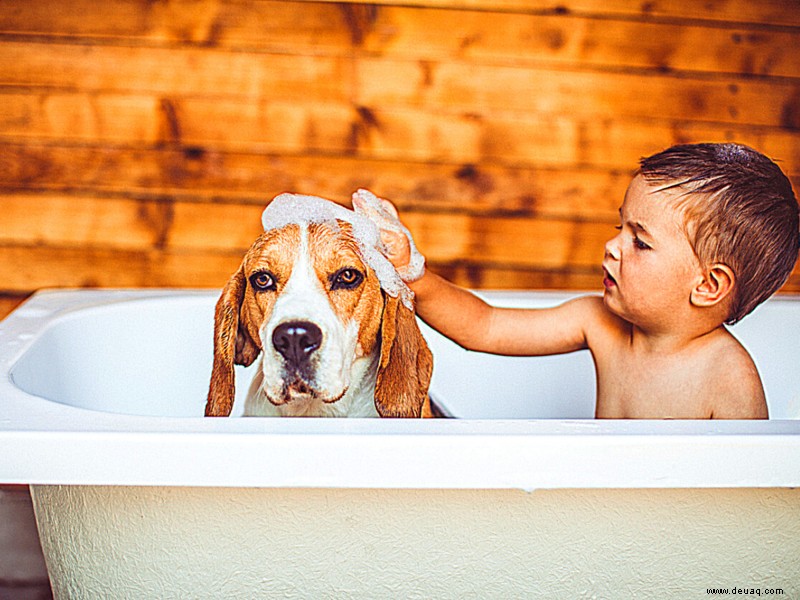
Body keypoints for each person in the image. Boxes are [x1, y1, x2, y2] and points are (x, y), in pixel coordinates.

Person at [354, 143, 800, 419]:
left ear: (707, 286)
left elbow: (742, 499)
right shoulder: (599, 322)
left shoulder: (728, 378)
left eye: (640, 242)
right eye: (620, 226)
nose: (613, 246)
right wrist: (416, 274)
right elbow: (485, 326)